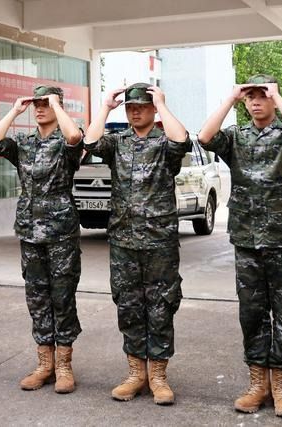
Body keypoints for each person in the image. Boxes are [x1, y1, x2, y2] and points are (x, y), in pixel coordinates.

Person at [197, 74, 282, 418]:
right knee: (251, 313)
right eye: (252, 97)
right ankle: (257, 383)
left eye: (263, 95)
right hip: (247, 237)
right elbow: (204, 137)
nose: (257, 101)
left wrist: (279, 97)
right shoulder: (236, 136)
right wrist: (230, 99)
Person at [84, 83, 189, 405]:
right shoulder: (118, 142)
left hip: (159, 240)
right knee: (128, 305)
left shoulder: (164, 141)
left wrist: (163, 105)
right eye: (131, 107)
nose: (136, 111)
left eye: (142, 106)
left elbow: (182, 141)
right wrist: (106, 107)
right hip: (124, 239)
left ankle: (158, 376)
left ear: (153, 109)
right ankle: (135, 373)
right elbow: (89, 142)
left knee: (161, 306)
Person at [0, 86, 84, 393]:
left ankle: (64, 366)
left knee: (62, 297)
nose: (39, 108)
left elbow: (74, 138)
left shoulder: (65, 140)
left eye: (45, 103)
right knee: (37, 297)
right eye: (36, 104)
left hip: (60, 231)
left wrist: (57, 104)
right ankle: (44, 364)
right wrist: (15, 110)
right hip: (30, 230)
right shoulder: (25, 143)